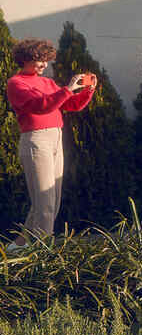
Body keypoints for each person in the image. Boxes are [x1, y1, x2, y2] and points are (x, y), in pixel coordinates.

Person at [6, 38, 95, 250]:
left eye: (46, 61)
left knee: (49, 203)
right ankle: (42, 254)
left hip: (55, 138)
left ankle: (17, 247)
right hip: (36, 141)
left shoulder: (47, 82)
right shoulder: (16, 83)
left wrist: (87, 91)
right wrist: (67, 89)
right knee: (45, 203)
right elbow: (40, 106)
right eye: (40, 60)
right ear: (26, 59)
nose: (44, 65)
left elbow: (70, 104)